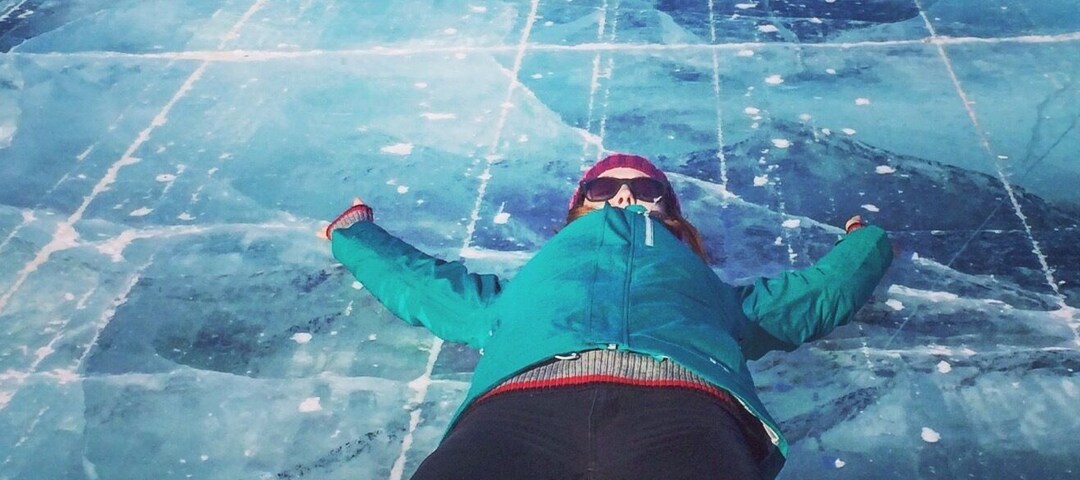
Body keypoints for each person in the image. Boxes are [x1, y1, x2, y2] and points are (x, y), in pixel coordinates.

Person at [324, 153, 894, 479]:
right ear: (581, 203)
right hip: (521, 409)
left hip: (679, 406)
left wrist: (865, 243)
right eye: (604, 187)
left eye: (645, 188)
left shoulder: (715, 296)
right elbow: (425, 286)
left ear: (668, 207)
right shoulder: (520, 293)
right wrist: (355, 235)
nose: (624, 196)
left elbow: (816, 294)